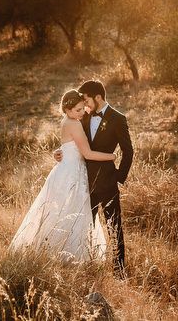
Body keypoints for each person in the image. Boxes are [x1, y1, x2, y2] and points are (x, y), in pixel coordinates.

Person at [9, 90, 112, 262]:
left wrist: (59, 151)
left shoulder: (67, 120)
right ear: (67, 109)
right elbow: (87, 153)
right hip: (72, 174)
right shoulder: (74, 124)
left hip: (63, 171)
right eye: (78, 110)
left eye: (82, 109)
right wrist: (112, 156)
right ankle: (72, 255)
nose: (82, 112)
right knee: (73, 211)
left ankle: (53, 251)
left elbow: (67, 146)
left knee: (61, 211)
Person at [53, 79, 133, 276]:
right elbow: (74, 141)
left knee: (114, 225)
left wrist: (118, 177)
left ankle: (119, 271)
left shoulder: (118, 118)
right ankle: (88, 267)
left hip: (108, 182)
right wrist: (59, 151)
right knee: (85, 226)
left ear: (98, 97)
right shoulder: (84, 116)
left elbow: (128, 151)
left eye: (87, 100)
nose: (85, 104)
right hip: (84, 181)